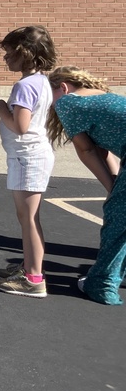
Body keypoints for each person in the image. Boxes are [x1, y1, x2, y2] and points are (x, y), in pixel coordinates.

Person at [47, 66, 126, 305]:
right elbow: (103, 152)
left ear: (63, 87)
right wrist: (114, 185)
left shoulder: (69, 102)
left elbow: (87, 149)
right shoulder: (104, 98)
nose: (52, 106)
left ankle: (101, 284)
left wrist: (112, 188)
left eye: (51, 99)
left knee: (117, 224)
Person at [0, 26, 58, 298]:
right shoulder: (41, 81)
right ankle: (30, 268)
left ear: (25, 54)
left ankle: (33, 278)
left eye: (9, 53)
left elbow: (20, 125)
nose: (5, 58)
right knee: (28, 217)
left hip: (27, 157)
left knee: (28, 218)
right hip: (30, 155)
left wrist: (0, 108)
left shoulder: (24, 86)